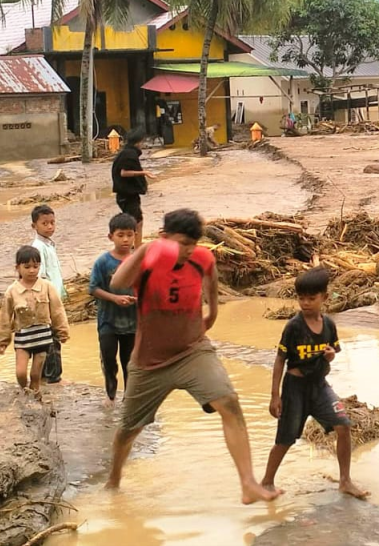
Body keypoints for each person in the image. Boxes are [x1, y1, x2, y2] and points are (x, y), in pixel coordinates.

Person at [104, 208, 279, 504]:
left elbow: (210, 281)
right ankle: (113, 482)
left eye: (193, 243)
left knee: (230, 403)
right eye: (182, 242)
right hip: (150, 363)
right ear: (164, 238)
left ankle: (248, 483)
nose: (188, 250)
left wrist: (212, 311)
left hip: (192, 351)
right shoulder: (147, 260)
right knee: (127, 430)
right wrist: (146, 248)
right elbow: (117, 284)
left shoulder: (201, 258)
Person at [261, 267, 368, 499]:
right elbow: (280, 359)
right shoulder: (294, 327)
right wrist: (275, 395)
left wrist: (330, 355)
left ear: (324, 298)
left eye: (312, 298)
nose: (306, 303)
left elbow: (332, 352)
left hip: (320, 387)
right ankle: (267, 483)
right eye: (301, 298)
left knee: (343, 425)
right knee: (285, 438)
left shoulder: (329, 325)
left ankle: (345, 480)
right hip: (295, 389)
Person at [0, 246, 70, 396]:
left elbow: (57, 310)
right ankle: (24, 392)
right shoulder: (12, 291)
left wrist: (62, 331)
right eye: (27, 266)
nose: (32, 270)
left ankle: (35, 398)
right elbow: (5, 317)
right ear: (17, 268)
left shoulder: (47, 286)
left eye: (36, 266)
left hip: (43, 338)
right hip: (23, 338)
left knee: (36, 375)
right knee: (20, 373)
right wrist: (2, 341)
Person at [89, 213, 139, 404]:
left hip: (132, 323)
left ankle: (129, 397)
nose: (125, 239)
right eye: (120, 235)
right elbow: (93, 289)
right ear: (111, 237)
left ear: (135, 235)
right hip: (108, 321)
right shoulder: (103, 262)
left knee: (130, 363)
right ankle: (110, 395)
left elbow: (148, 288)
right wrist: (115, 298)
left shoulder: (138, 261)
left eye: (129, 235)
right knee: (109, 360)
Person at [31, 205, 66, 384]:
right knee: (53, 338)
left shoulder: (49, 244)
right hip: (47, 300)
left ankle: (45, 375)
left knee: (49, 338)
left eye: (52, 223)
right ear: (34, 226)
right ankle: (54, 377)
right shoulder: (38, 247)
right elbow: (41, 276)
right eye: (45, 223)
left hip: (54, 298)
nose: (50, 227)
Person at [111, 128, 154, 248]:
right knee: (136, 222)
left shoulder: (127, 152)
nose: (143, 144)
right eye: (142, 142)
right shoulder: (130, 154)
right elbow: (124, 173)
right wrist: (144, 172)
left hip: (127, 194)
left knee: (135, 221)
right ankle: (136, 248)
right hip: (126, 195)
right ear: (138, 142)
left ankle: (135, 246)